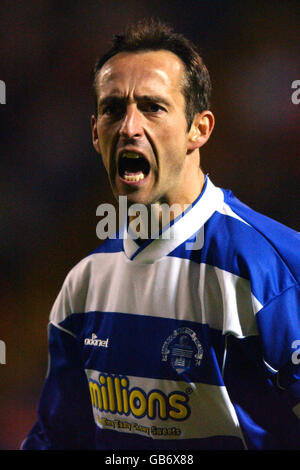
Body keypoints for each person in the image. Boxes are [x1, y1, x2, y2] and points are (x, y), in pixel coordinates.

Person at [22, 19, 300, 450]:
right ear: (96, 134)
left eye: (152, 107)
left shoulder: (275, 268)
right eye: (114, 109)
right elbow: (58, 439)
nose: (129, 127)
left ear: (199, 129)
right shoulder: (83, 285)